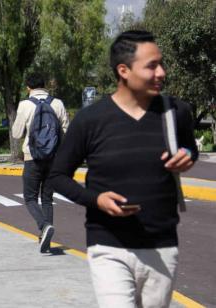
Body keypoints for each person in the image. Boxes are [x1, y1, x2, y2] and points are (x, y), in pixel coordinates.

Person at [49, 30, 198, 307]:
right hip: (108, 245)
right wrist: (96, 200)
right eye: (151, 66)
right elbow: (57, 175)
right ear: (123, 70)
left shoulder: (176, 112)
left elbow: (191, 149)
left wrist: (188, 156)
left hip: (162, 245)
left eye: (161, 63)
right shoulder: (90, 120)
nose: (161, 72)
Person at [11, 73, 69, 253]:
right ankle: (46, 239)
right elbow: (66, 129)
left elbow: (16, 133)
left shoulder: (25, 105)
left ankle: (44, 227)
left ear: (28, 87)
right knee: (47, 199)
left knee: (29, 197)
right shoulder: (57, 103)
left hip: (33, 158)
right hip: (54, 159)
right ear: (44, 85)